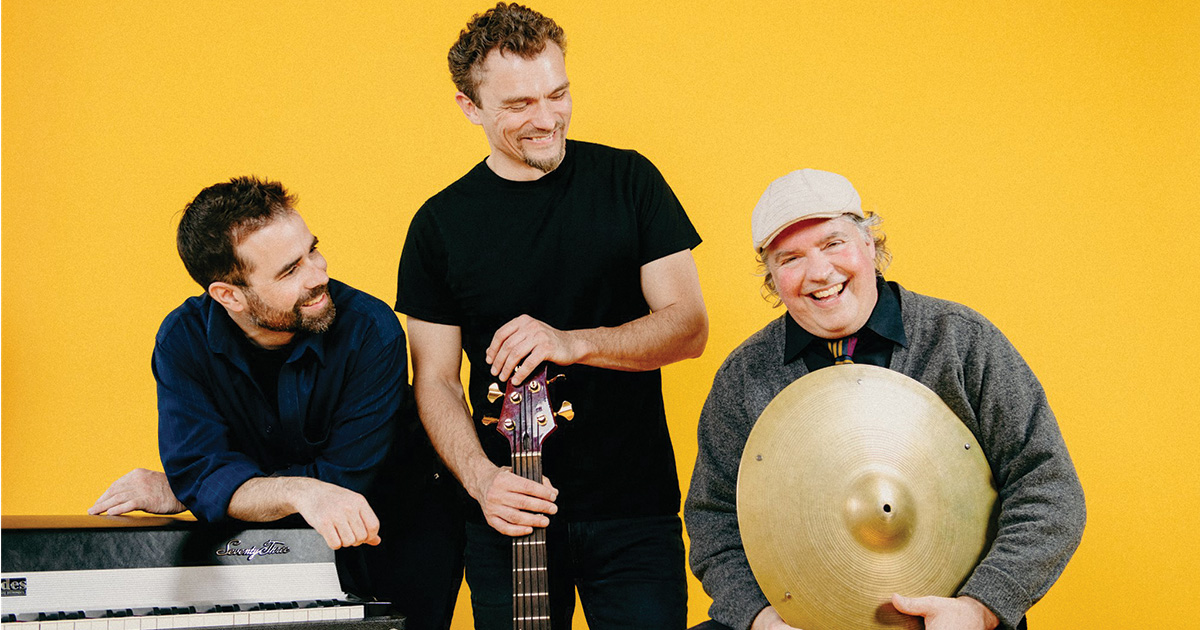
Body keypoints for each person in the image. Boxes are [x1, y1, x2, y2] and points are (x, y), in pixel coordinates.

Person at [394, 3, 708, 629]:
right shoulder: (438, 225)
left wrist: (572, 343)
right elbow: (434, 379)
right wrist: (483, 481)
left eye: (557, 94)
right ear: (470, 107)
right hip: (506, 515)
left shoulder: (629, 180)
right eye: (518, 105)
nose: (547, 119)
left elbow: (689, 326)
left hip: (632, 511)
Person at [685, 169, 1085, 630]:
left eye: (834, 243)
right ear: (772, 277)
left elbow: (1048, 487)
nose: (819, 272)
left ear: (870, 244)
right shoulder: (743, 377)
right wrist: (760, 619)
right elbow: (712, 517)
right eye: (790, 257)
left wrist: (980, 608)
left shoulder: (960, 341)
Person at [88, 176, 462, 630]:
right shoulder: (182, 341)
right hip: (267, 542)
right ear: (229, 296)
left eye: (313, 250)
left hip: (398, 533)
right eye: (289, 271)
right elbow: (213, 472)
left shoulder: (371, 329)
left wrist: (202, 490)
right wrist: (261, 489)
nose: (318, 274)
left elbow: (340, 485)